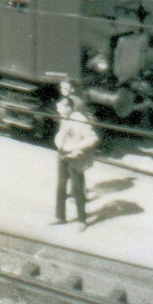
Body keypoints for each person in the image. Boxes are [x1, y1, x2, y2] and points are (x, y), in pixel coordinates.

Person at [54, 80, 99, 230]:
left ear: (69, 108)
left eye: (60, 108)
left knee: (77, 188)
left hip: (75, 156)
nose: (58, 110)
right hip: (63, 154)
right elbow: (62, 135)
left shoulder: (79, 119)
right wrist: (60, 145)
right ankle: (60, 217)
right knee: (61, 186)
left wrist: (76, 148)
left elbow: (93, 138)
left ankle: (82, 220)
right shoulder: (64, 118)